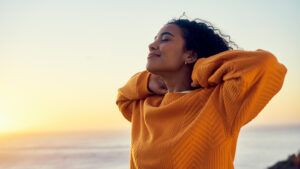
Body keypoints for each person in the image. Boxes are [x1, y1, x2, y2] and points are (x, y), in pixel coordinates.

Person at [116, 17, 287, 169]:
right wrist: (147, 81)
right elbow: (122, 98)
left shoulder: (219, 102)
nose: (152, 45)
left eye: (165, 38)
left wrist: (199, 69)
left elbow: (267, 65)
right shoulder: (146, 106)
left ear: (190, 55)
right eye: (155, 39)